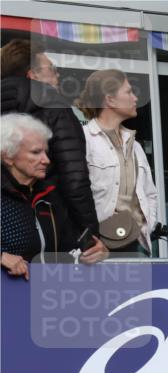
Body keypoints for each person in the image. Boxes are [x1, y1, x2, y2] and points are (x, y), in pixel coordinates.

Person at [1, 39, 105, 251]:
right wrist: (90, 233)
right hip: (51, 221)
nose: (58, 76)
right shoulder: (53, 104)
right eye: (53, 69)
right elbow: (74, 175)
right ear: (32, 75)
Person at [1, 113, 106, 279]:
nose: (46, 160)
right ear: (8, 156)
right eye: (36, 152)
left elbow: (69, 247)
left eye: (46, 152)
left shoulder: (49, 196)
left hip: (44, 295)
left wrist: (94, 252)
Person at [76, 69, 158, 253]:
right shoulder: (84, 140)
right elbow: (74, 196)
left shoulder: (135, 146)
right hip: (96, 249)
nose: (135, 98)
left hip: (137, 246)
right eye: (129, 92)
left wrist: (146, 227)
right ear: (110, 99)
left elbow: (150, 194)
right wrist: (90, 240)